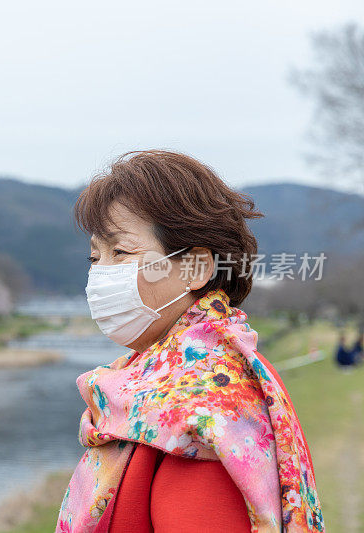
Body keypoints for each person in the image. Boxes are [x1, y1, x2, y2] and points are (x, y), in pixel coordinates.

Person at [56, 150, 323, 533]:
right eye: (95, 258)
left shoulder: (203, 405)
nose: (99, 274)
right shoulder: (165, 380)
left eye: (120, 252)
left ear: (196, 267)